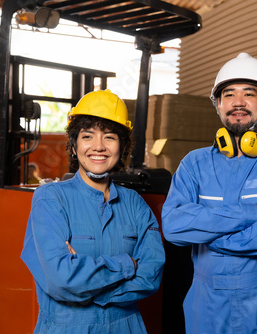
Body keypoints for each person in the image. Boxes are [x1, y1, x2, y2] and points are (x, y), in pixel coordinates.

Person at [161, 52, 257, 334]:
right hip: (207, 303)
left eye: (249, 94)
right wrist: (253, 213)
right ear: (217, 103)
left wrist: (210, 234)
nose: (237, 102)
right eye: (228, 94)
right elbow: (175, 227)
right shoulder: (194, 163)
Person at [21, 89, 165, 333]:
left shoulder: (136, 204)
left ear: (122, 147)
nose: (98, 146)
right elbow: (61, 280)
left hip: (126, 327)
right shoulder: (50, 199)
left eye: (109, 137)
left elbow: (151, 277)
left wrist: (86, 288)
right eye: (88, 136)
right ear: (75, 145)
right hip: (67, 327)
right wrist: (127, 264)